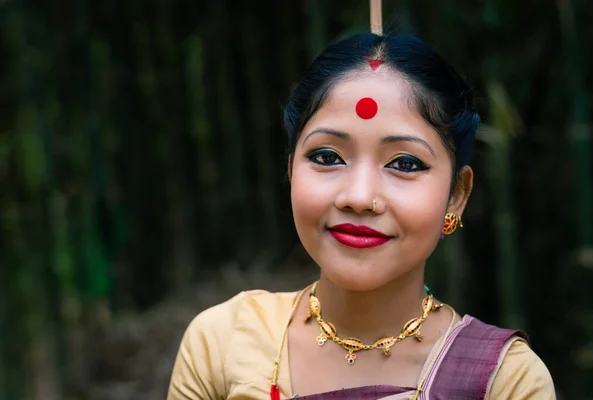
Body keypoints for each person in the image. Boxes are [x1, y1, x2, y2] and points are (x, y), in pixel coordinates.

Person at [167, 32, 555, 400]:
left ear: (456, 196)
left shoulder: (505, 382)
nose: (359, 197)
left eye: (404, 163)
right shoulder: (222, 343)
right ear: (290, 171)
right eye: (326, 157)